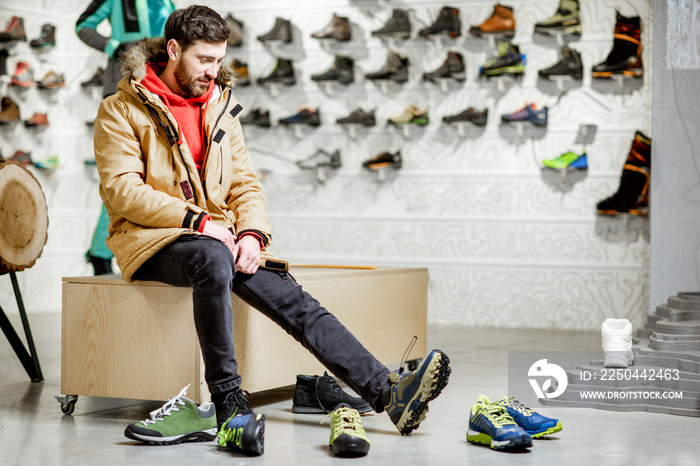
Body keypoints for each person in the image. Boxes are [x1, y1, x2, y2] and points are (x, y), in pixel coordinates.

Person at [93, 4, 451, 449]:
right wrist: (200, 221)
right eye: (204, 59)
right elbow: (123, 191)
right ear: (172, 49)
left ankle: (387, 392)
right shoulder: (120, 109)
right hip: (151, 240)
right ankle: (229, 407)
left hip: (219, 238)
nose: (213, 70)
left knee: (292, 296)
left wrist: (251, 234)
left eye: (220, 59)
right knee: (211, 255)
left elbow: (245, 184)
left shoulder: (220, 106)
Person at [76, 0, 176, 274]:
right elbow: (83, 26)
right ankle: (101, 249)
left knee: (153, 175)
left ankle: (107, 249)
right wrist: (114, 47)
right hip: (125, 84)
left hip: (159, 87)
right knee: (122, 177)